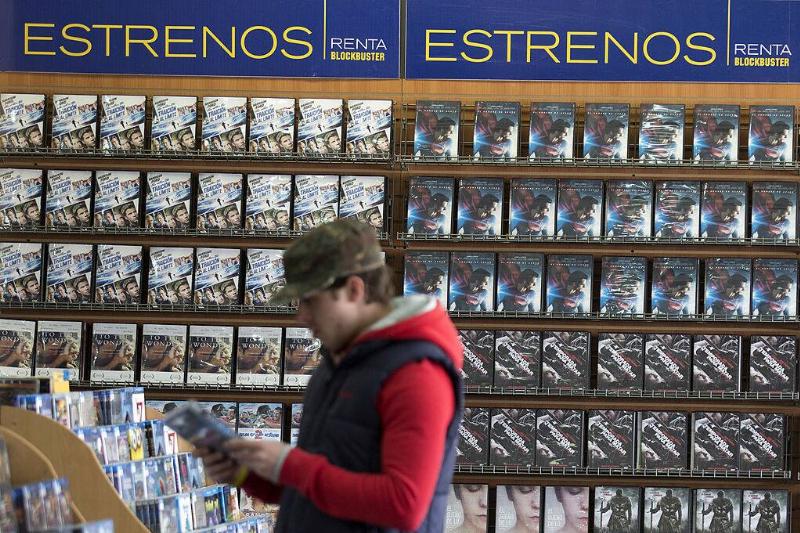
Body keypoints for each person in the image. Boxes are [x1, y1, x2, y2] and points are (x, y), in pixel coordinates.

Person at [196, 218, 464, 532]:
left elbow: (403, 505)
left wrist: (290, 465)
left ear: (354, 289)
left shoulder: (417, 374)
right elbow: (316, 489)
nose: (302, 316)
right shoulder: (337, 364)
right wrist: (248, 474)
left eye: (311, 301)